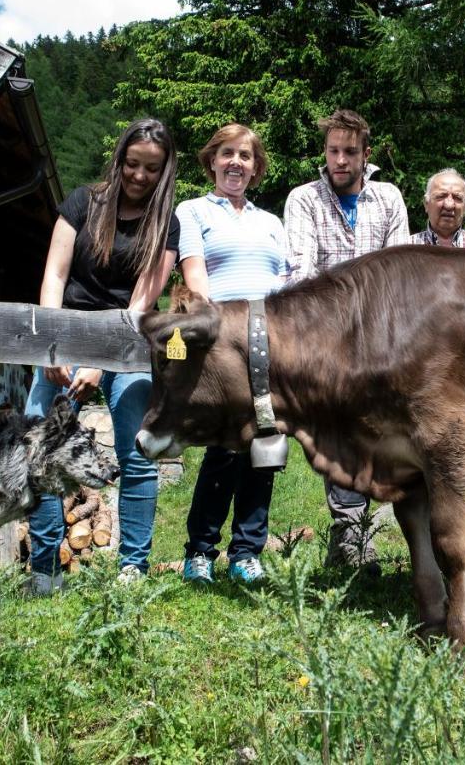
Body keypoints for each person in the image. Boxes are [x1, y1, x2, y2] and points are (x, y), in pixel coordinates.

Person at [25, 118, 180, 593]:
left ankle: (132, 566)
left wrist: (104, 361)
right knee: (40, 442)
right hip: (66, 333)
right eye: (132, 164)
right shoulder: (82, 203)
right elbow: (54, 275)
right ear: (119, 159)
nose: (139, 176)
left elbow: (139, 305)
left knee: (137, 446)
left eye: (151, 169)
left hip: (126, 344)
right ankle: (45, 569)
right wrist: (51, 344)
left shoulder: (165, 224)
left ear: (164, 171)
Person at [283, 109, 409, 571]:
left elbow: (399, 267)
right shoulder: (304, 200)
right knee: (338, 432)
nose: (340, 160)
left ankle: (365, 532)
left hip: (382, 336)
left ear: (365, 154)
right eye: (333, 151)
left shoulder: (388, 199)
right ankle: (347, 535)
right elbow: (302, 271)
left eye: (349, 152)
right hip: (329, 337)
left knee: (381, 431)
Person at [176, 124, 289, 585]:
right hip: (222, 344)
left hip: (268, 343)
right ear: (212, 162)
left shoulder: (271, 222)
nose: (236, 163)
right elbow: (195, 275)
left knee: (264, 445)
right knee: (223, 448)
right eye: (228, 154)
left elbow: (284, 283)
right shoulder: (193, 210)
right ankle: (200, 550)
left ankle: (247, 551)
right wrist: (217, 332)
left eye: (245, 156)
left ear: (256, 168)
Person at [409, 168, 465, 556]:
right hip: (422, 376)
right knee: (426, 459)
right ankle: (432, 544)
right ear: (426, 202)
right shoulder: (404, 250)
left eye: (457, 198)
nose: (448, 204)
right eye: (441, 197)